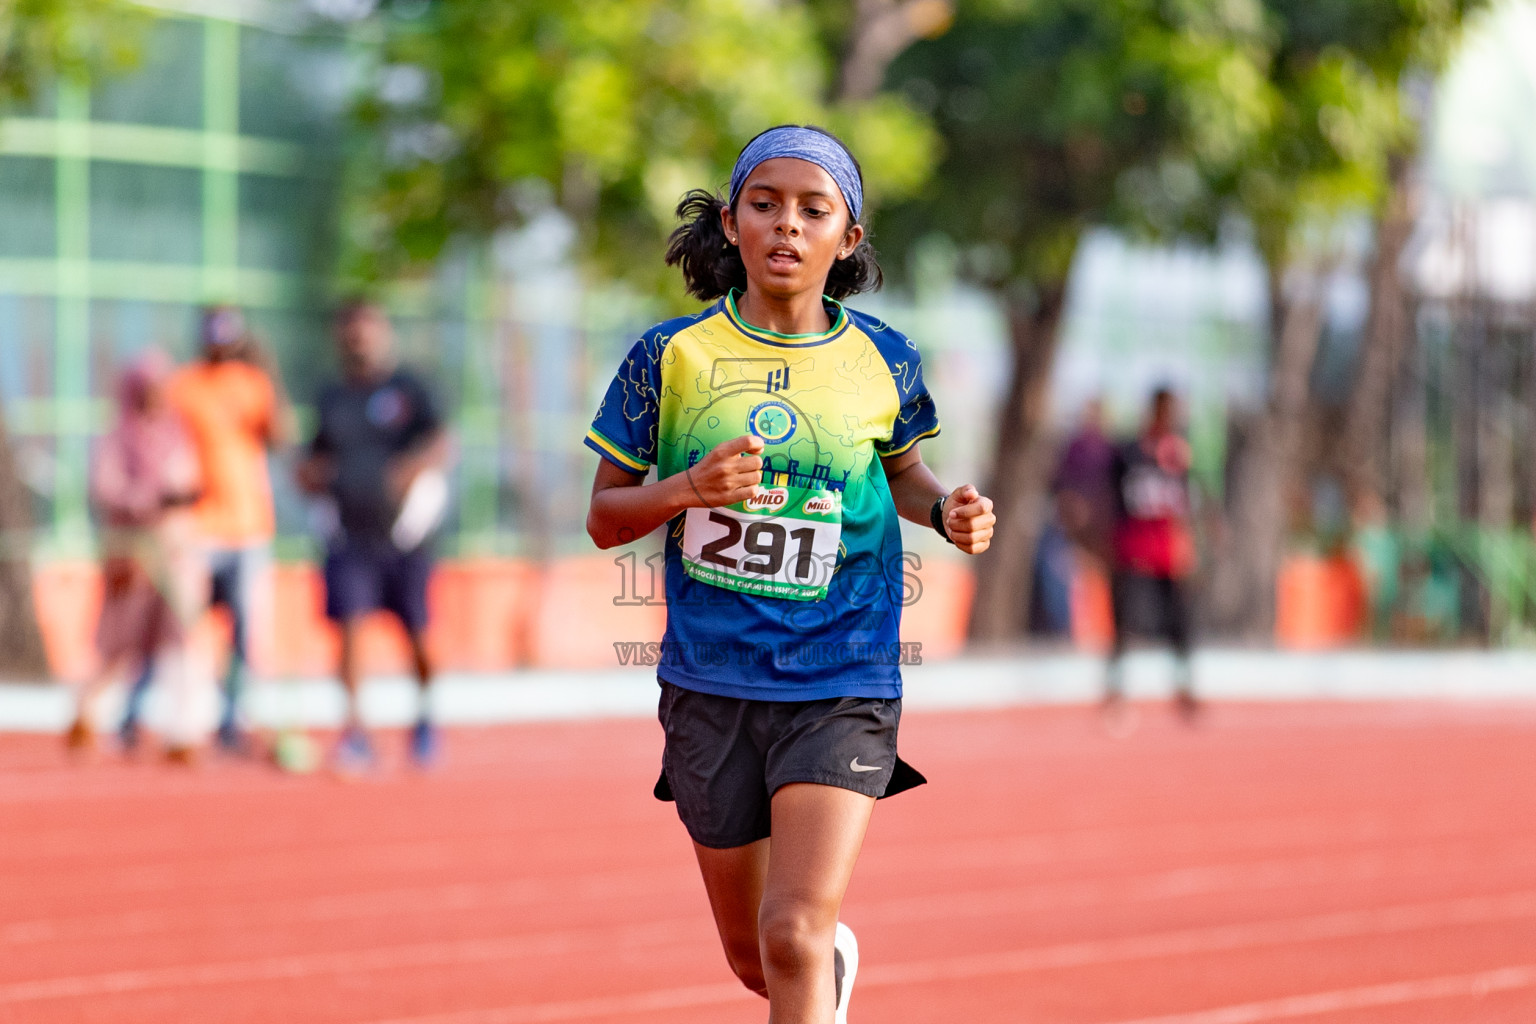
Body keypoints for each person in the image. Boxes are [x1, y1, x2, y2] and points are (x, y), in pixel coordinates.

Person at [584, 125, 995, 1024]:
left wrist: (946, 512)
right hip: (709, 680)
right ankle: (825, 974)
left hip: (842, 672)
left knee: (794, 937)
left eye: (814, 211)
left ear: (847, 238)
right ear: (730, 223)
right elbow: (604, 518)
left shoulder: (884, 360)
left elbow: (904, 473)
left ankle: (816, 960)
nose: (787, 226)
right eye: (765, 205)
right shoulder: (670, 358)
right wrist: (689, 487)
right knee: (753, 956)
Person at [296, 300, 449, 772]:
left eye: (367, 330)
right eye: (351, 332)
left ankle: (424, 716)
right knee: (350, 632)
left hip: (405, 538)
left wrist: (410, 469)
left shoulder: (410, 388)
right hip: (350, 537)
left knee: (419, 638)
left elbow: (443, 441)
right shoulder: (331, 396)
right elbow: (314, 457)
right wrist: (309, 476)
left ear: (383, 333)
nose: (359, 340)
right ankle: (356, 730)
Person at [69, 350, 207, 759]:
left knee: (181, 643)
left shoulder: (176, 434)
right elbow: (105, 487)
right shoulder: (117, 436)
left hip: (173, 554)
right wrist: (147, 499)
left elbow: (191, 481)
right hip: (131, 555)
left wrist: (178, 498)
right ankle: (84, 713)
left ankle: (185, 733)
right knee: (119, 646)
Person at [169, 306, 287, 752]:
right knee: (186, 627)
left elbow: (281, 437)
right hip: (199, 528)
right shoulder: (183, 386)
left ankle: (233, 717)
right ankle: (186, 719)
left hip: (250, 527)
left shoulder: (253, 384)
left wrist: (268, 370)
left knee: (246, 631)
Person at [1105, 386, 1198, 726]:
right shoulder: (1130, 451)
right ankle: (1117, 690)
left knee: (1180, 622)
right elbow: (1113, 498)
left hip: (1168, 552)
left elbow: (1186, 502)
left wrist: (1188, 545)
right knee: (1126, 623)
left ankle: (1184, 686)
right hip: (1133, 548)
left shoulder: (1179, 453)